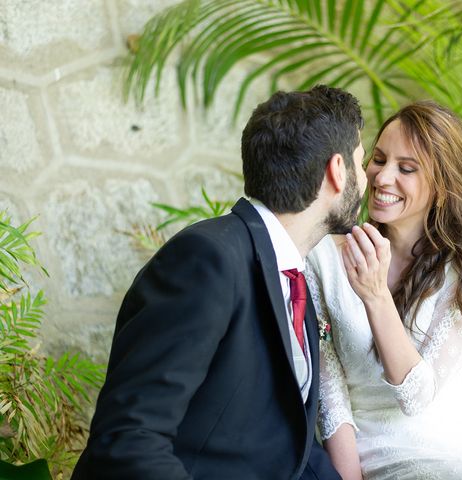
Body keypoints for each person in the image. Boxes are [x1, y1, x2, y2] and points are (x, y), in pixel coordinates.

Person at [72, 85, 367, 480]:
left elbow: (291, 451)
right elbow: (129, 438)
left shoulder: (293, 282)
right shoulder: (207, 259)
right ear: (337, 171)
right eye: (362, 164)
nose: (368, 181)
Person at [306, 101, 462, 480]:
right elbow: (330, 396)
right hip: (378, 451)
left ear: (441, 187)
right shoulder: (322, 255)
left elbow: (416, 396)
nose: (382, 178)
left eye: (406, 168)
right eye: (379, 159)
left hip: (461, 441)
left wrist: (374, 295)